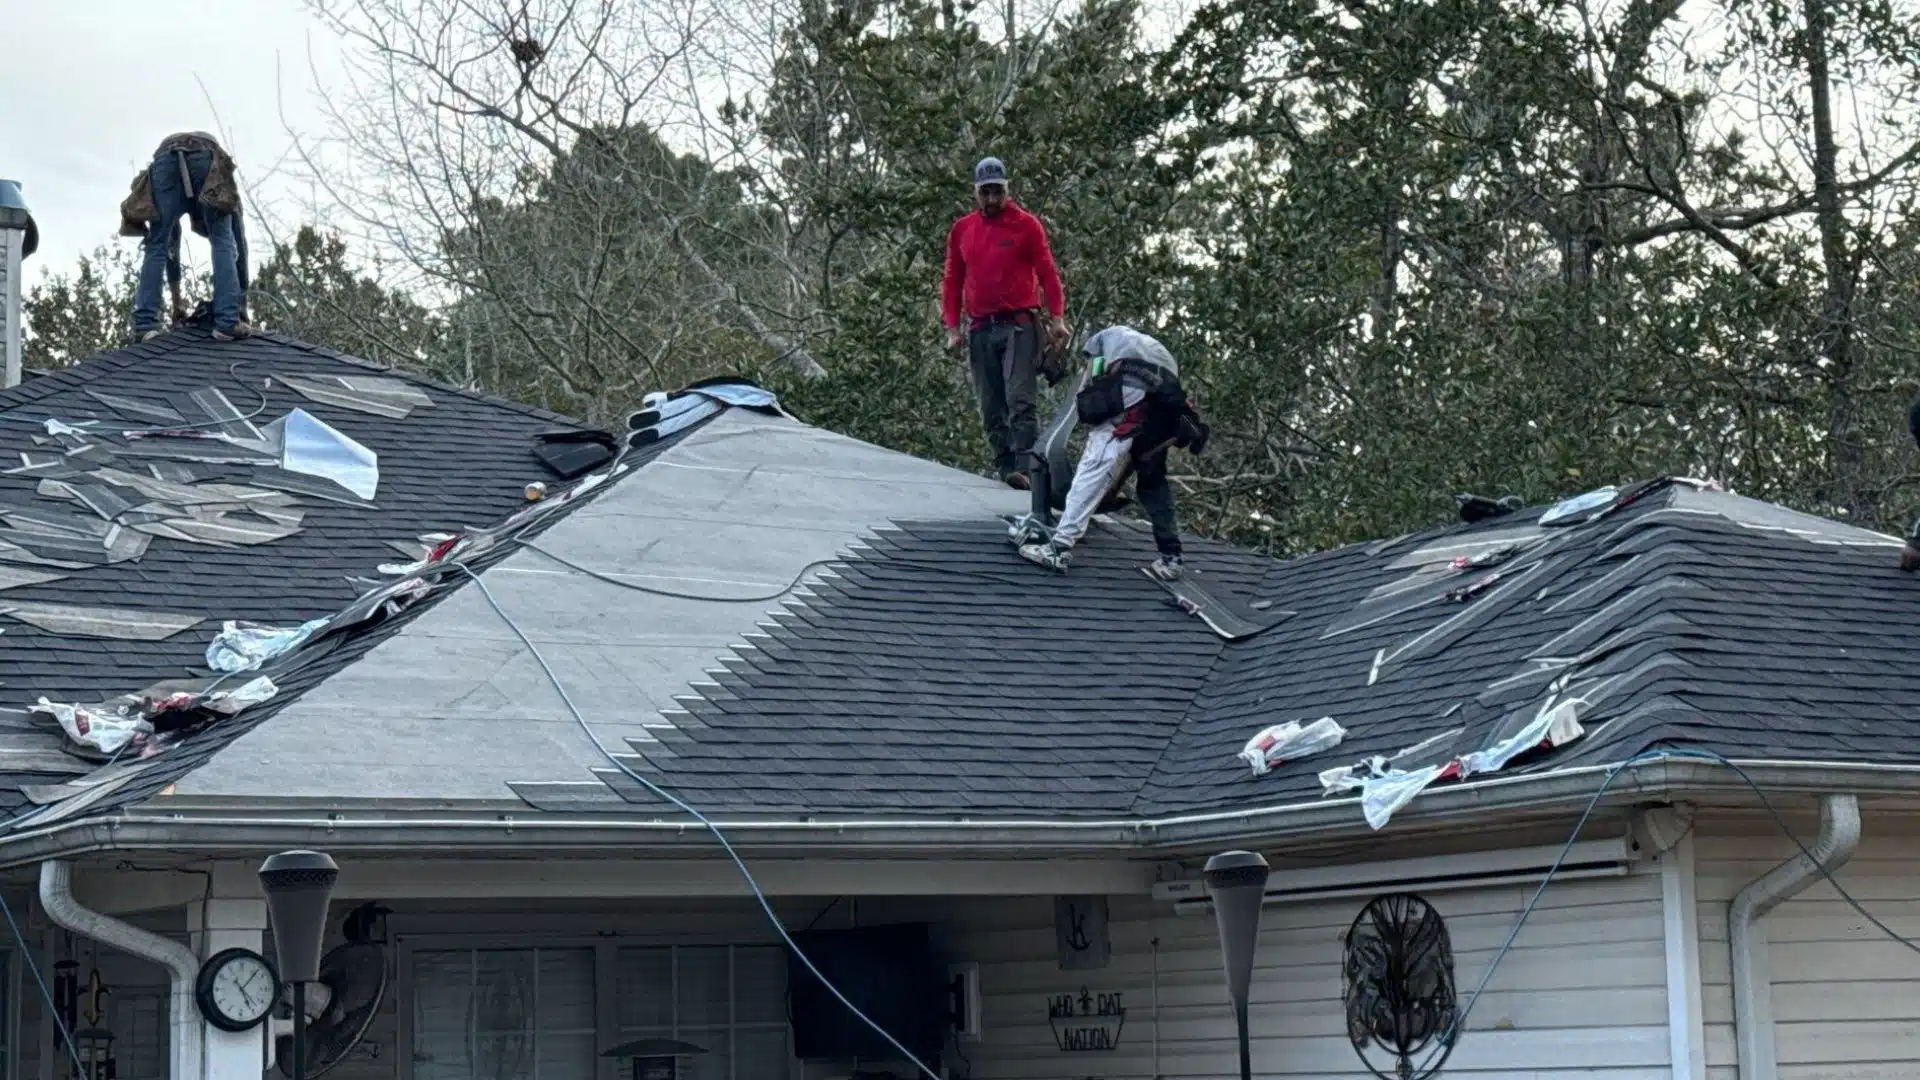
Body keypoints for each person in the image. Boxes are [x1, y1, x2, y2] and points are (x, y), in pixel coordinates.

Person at [1018, 326, 1208, 580]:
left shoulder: (1098, 342)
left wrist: (1091, 404)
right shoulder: (1142, 345)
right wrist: (1111, 491)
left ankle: (1059, 548)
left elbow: (1091, 381)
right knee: (1152, 482)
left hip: (1134, 391)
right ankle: (1171, 558)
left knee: (1096, 460)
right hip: (1166, 406)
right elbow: (1133, 455)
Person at [942, 156, 1068, 489]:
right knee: (990, 405)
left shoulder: (1026, 225)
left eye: (998, 191)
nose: (992, 199)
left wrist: (1057, 318)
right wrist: (952, 328)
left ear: (1007, 190)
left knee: (1020, 399)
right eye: (985, 192)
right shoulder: (963, 229)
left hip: (1018, 324)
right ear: (976, 192)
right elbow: (952, 280)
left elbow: (1048, 273)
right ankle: (1006, 467)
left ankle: (1028, 469)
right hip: (980, 326)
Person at [119, 131, 251, 342]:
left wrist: (177, 301)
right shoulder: (217, 189)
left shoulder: (177, 195)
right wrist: (239, 307)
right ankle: (227, 322)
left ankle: (145, 326)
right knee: (222, 239)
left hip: (166, 159)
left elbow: (167, 247)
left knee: (157, 244)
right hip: (206, 155)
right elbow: (238, 247)